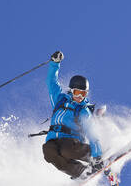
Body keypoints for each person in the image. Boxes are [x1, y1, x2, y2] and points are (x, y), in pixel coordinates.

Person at [42, 51, 104, 179]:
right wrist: (55, 63)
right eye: (77, 93)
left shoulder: (82, 110)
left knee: (66, 150)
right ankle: (79, 172)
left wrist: (98, 155)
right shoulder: (60, 100)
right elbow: (51, 82)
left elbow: (91, 132)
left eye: (83, 94)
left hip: (72, 140)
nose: (80, 97)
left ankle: (92, 155)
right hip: (53, 139)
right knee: (48, 153)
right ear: (71, 91)